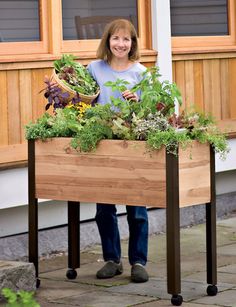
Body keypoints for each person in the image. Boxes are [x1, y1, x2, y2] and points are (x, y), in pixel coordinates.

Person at [87, 19, 149, 283]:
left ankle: (138, 262)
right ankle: (112, 259)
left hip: (132, 144)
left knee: (136, 208)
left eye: (127, 39)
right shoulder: (94, 69)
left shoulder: (141, 73)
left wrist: (139, 99)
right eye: (116, 38)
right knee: (104, 208)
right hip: (103, 144)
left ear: (133, 43)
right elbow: (84, 101)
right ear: (107, 41)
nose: (121, 44)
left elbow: (152, 109)